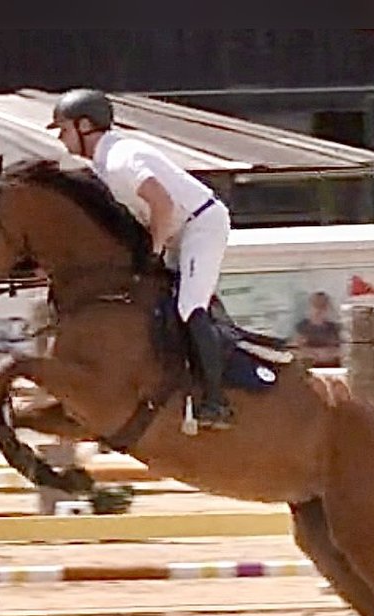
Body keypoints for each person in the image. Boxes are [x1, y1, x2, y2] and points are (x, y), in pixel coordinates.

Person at [48, 88, 234, 430]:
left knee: (188, 306)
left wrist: (154, 251)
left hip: (199, 225)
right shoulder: (104, 162)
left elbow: (161, 205)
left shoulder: (120, 159)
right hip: (179, 227)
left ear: (85, 126)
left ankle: (215, 401)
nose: (61, 138)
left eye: (63, 130)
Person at [292, 291, 341, 367]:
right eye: (316, 306)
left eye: (322, 307)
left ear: (327, 309)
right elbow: (296, 350)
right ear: (309, 308)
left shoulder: (334, 329)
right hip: (307, 367)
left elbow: (341, 350)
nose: (319, 310)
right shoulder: (301, 328)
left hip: (331, 367)